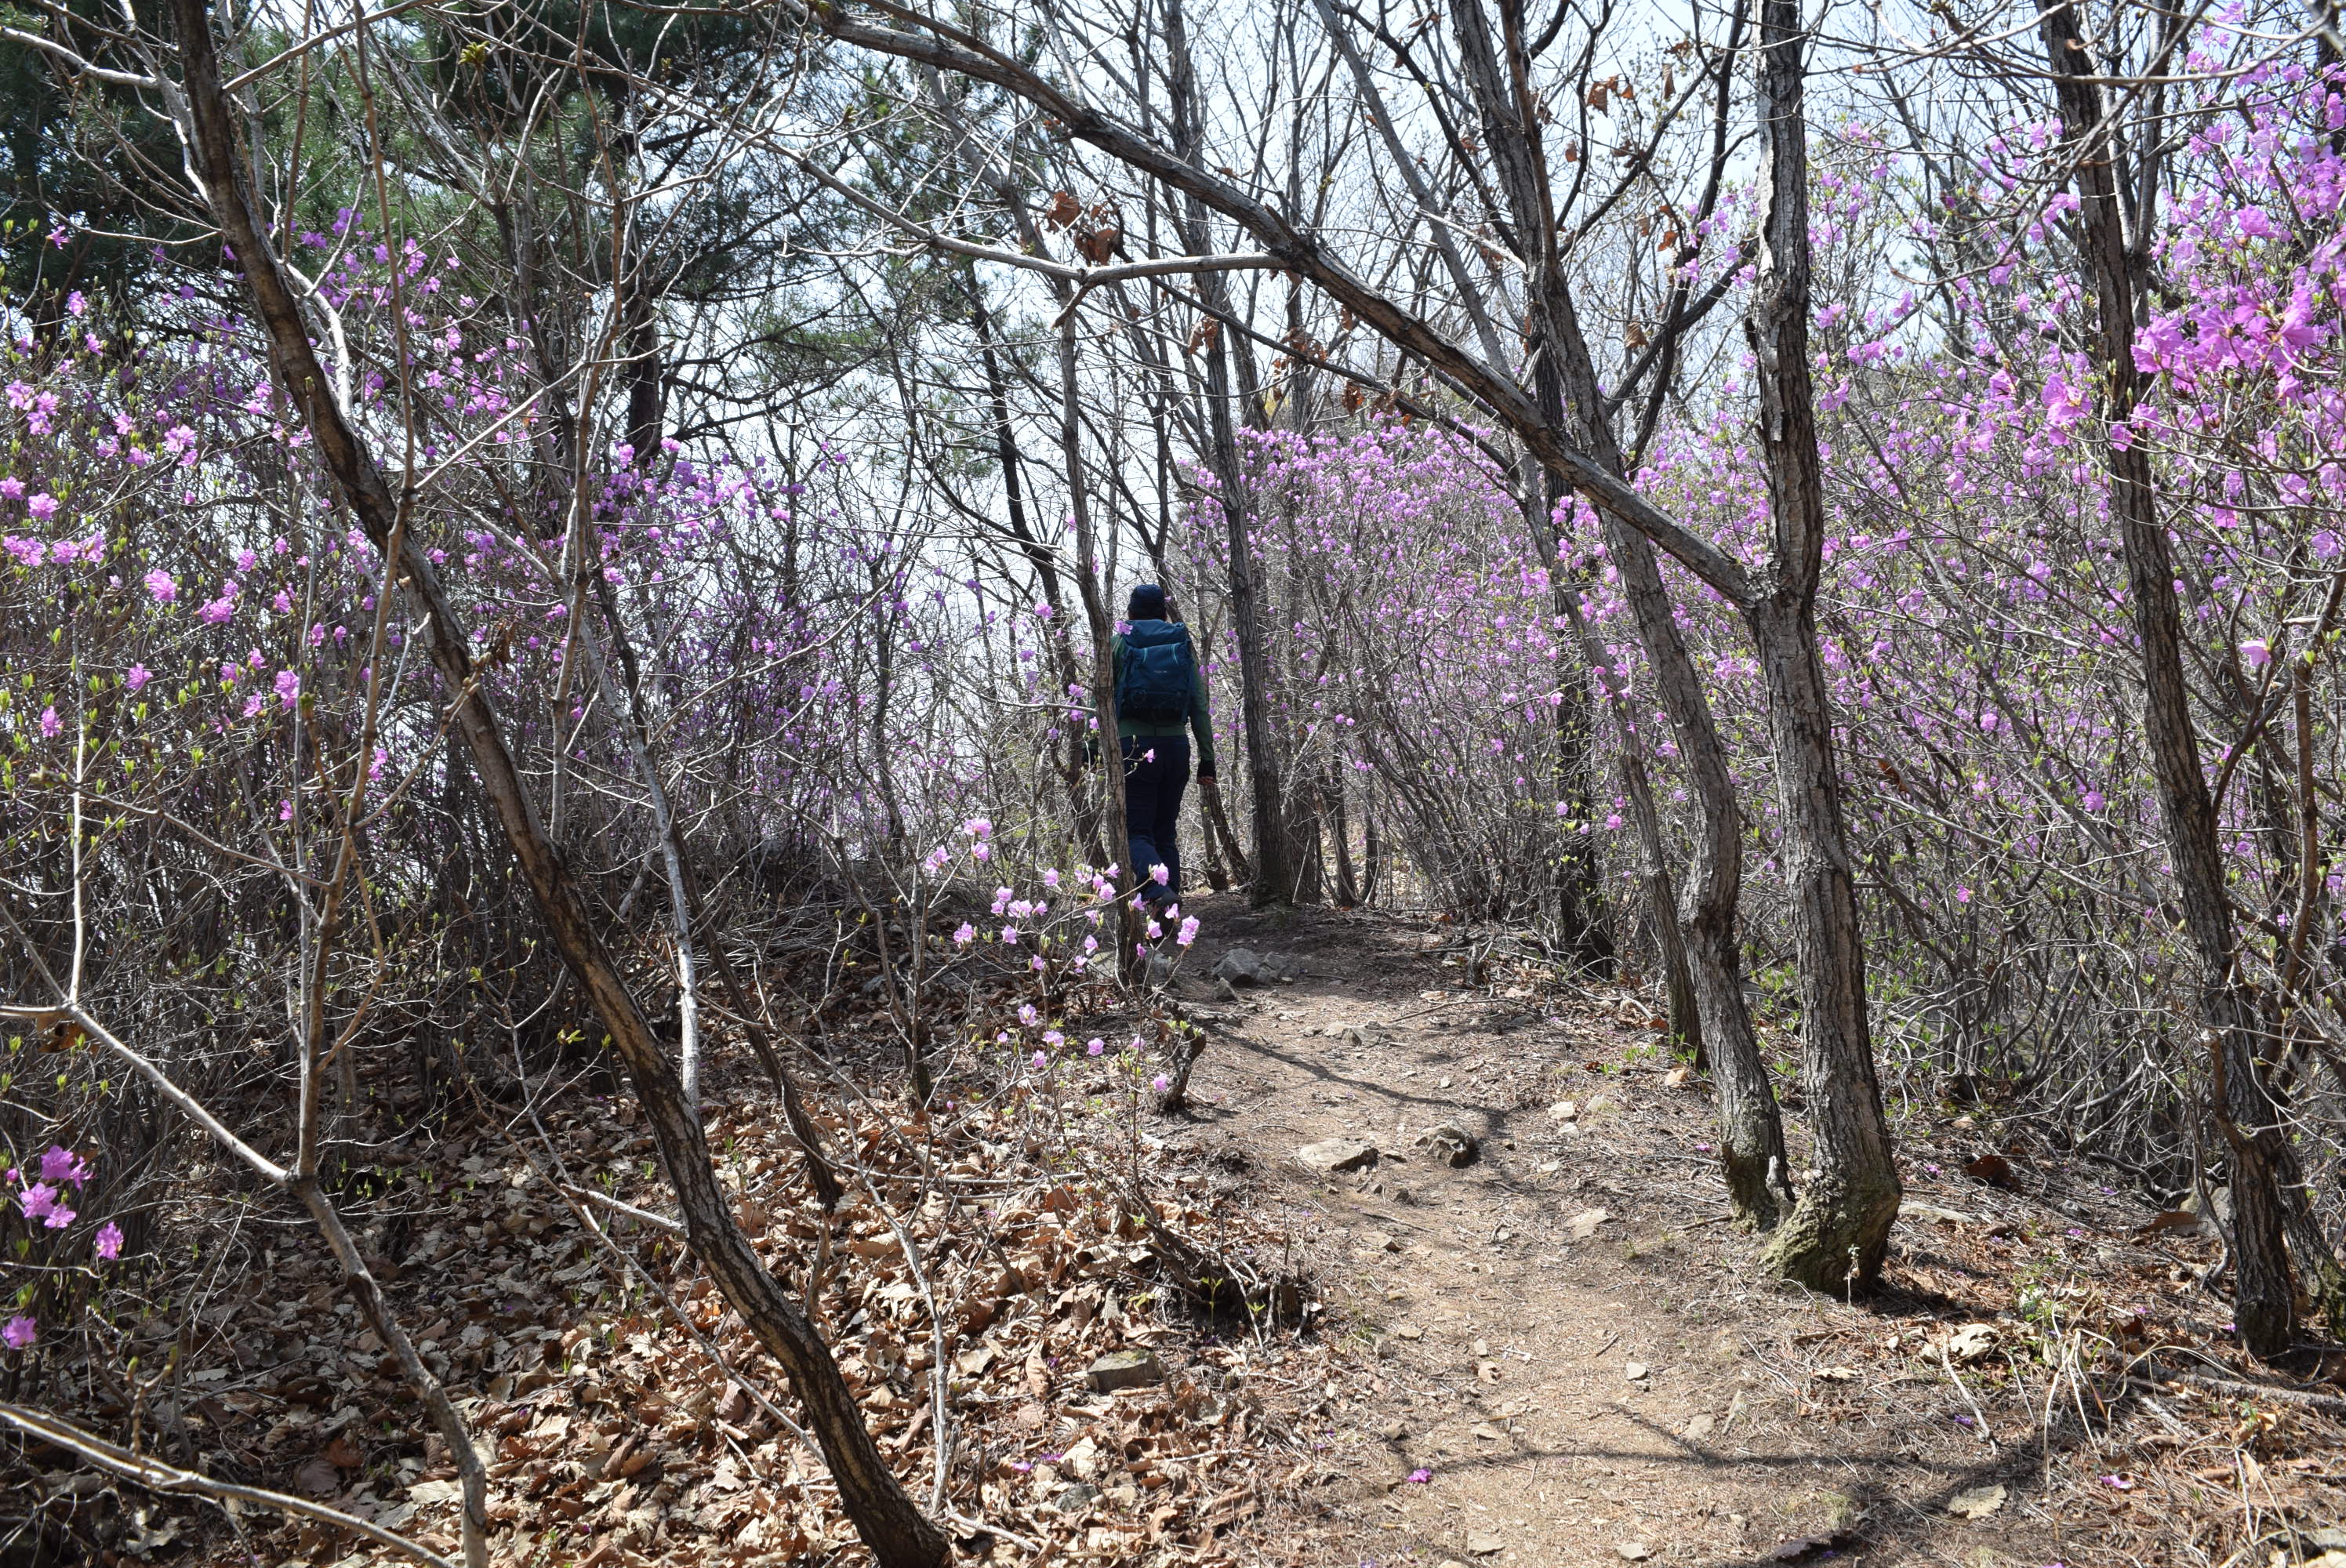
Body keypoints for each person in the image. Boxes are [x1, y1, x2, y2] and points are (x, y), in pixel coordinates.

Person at [1111, 583, 1215, 908]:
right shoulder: (1180, 644)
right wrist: (1207, 759)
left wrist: (1090, 747)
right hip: (1175, 747)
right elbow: (1198, 704)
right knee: (1165, 833)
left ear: (1131, 612)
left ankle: (1158, 894)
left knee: (1137, 833)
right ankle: (1170, 910)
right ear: (1164, 613)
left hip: (1133, 747)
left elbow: (1100, 698)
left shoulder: (1119, 643)